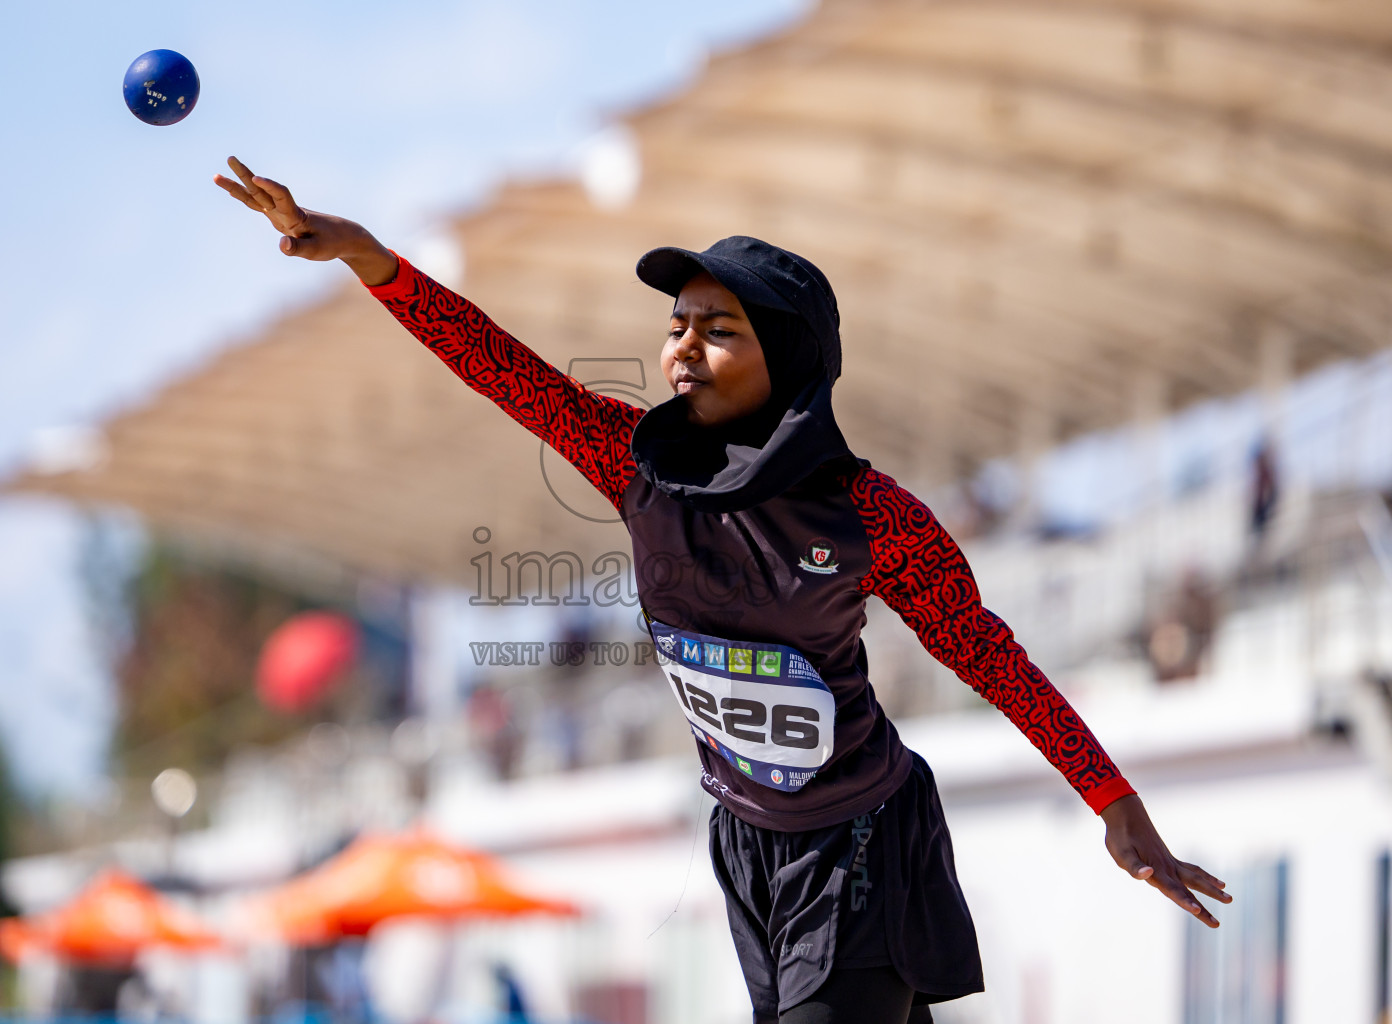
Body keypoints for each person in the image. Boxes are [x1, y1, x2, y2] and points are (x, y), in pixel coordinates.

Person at [214, 158, 1232, 1023]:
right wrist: (365, 257)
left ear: (785, 361)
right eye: (677, 324)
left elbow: (987, 651)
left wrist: (1112, 799)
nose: (681, 348)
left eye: (719, 329)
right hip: (745, 845)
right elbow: (498, 365)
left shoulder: (871, 515)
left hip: (863, 845)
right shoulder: (627, 459)